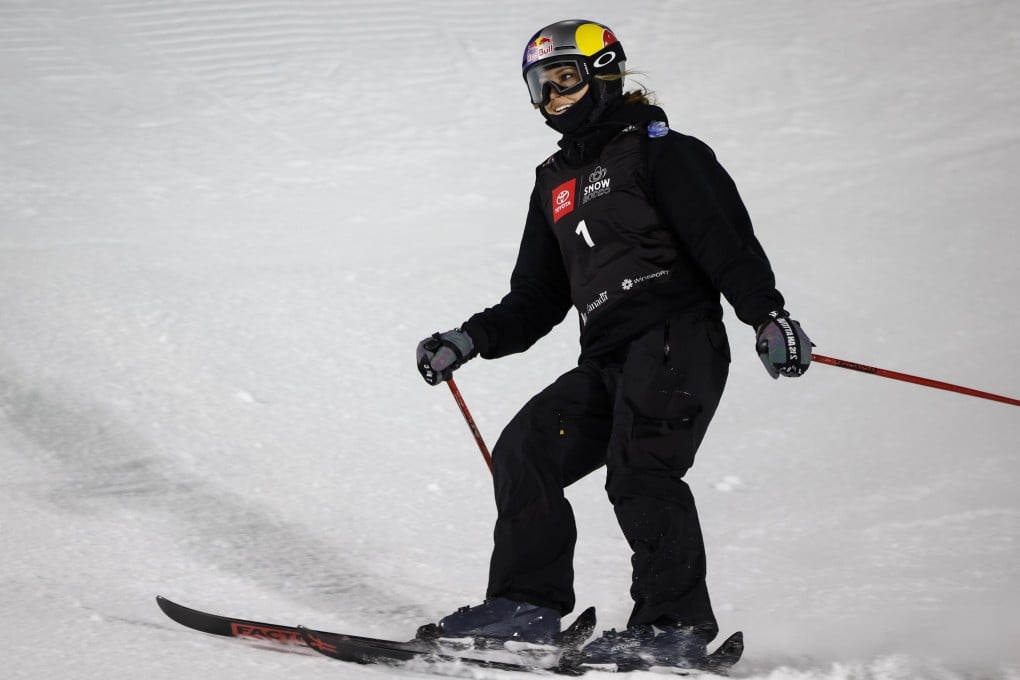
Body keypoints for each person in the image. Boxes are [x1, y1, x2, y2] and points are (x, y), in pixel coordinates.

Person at [415, 19, 811, 669]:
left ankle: (672, 628)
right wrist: (470, 338)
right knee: (527, 448)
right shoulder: (553, 183)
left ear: (605, 71)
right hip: (606, 356)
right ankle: (525, 609)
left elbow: (723, 241)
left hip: (676, 338)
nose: (553, 97)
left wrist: (766, 315)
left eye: (565, 77)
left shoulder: (662, 151)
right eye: (540, 86)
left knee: (641, 469)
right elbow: (536, 299)